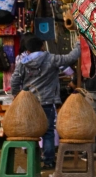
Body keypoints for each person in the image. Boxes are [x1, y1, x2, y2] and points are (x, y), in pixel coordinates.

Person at [11, 36, 81, 169]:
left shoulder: (23, 62)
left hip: (29, 102)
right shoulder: (52, 58)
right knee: (48, 131)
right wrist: (79, 43)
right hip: (47, 101)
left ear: (28, 49)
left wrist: (17, 95)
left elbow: (15, 81)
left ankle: (33, 160)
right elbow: (71, 58)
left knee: (31, 131)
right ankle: (49, 161)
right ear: (42, 46)